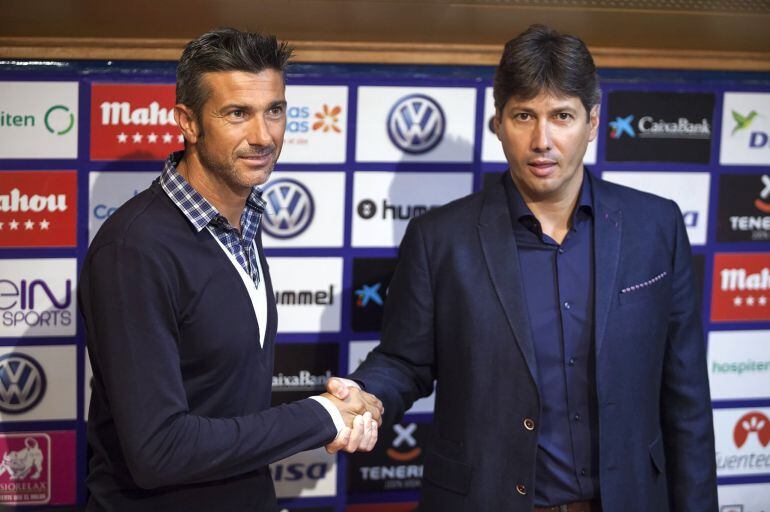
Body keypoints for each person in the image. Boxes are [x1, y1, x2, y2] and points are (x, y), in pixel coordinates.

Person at [328, 24, 718, 512]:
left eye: (562, 116)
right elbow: (405, 362)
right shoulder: (440, 239)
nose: (542, 139)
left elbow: (686, 400)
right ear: (497, 123)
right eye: (523, 115)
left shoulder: (655, 227)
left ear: (593, 122)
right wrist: (367, 395)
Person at [79, 28, 381, 511]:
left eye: (274, 110)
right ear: (189, 122)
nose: (263, 136)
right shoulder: (133, 248)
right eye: (237, 114)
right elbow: (159, 450)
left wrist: (340, 407)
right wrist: (322, 416)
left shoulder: (242, 223)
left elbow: (222, 395)